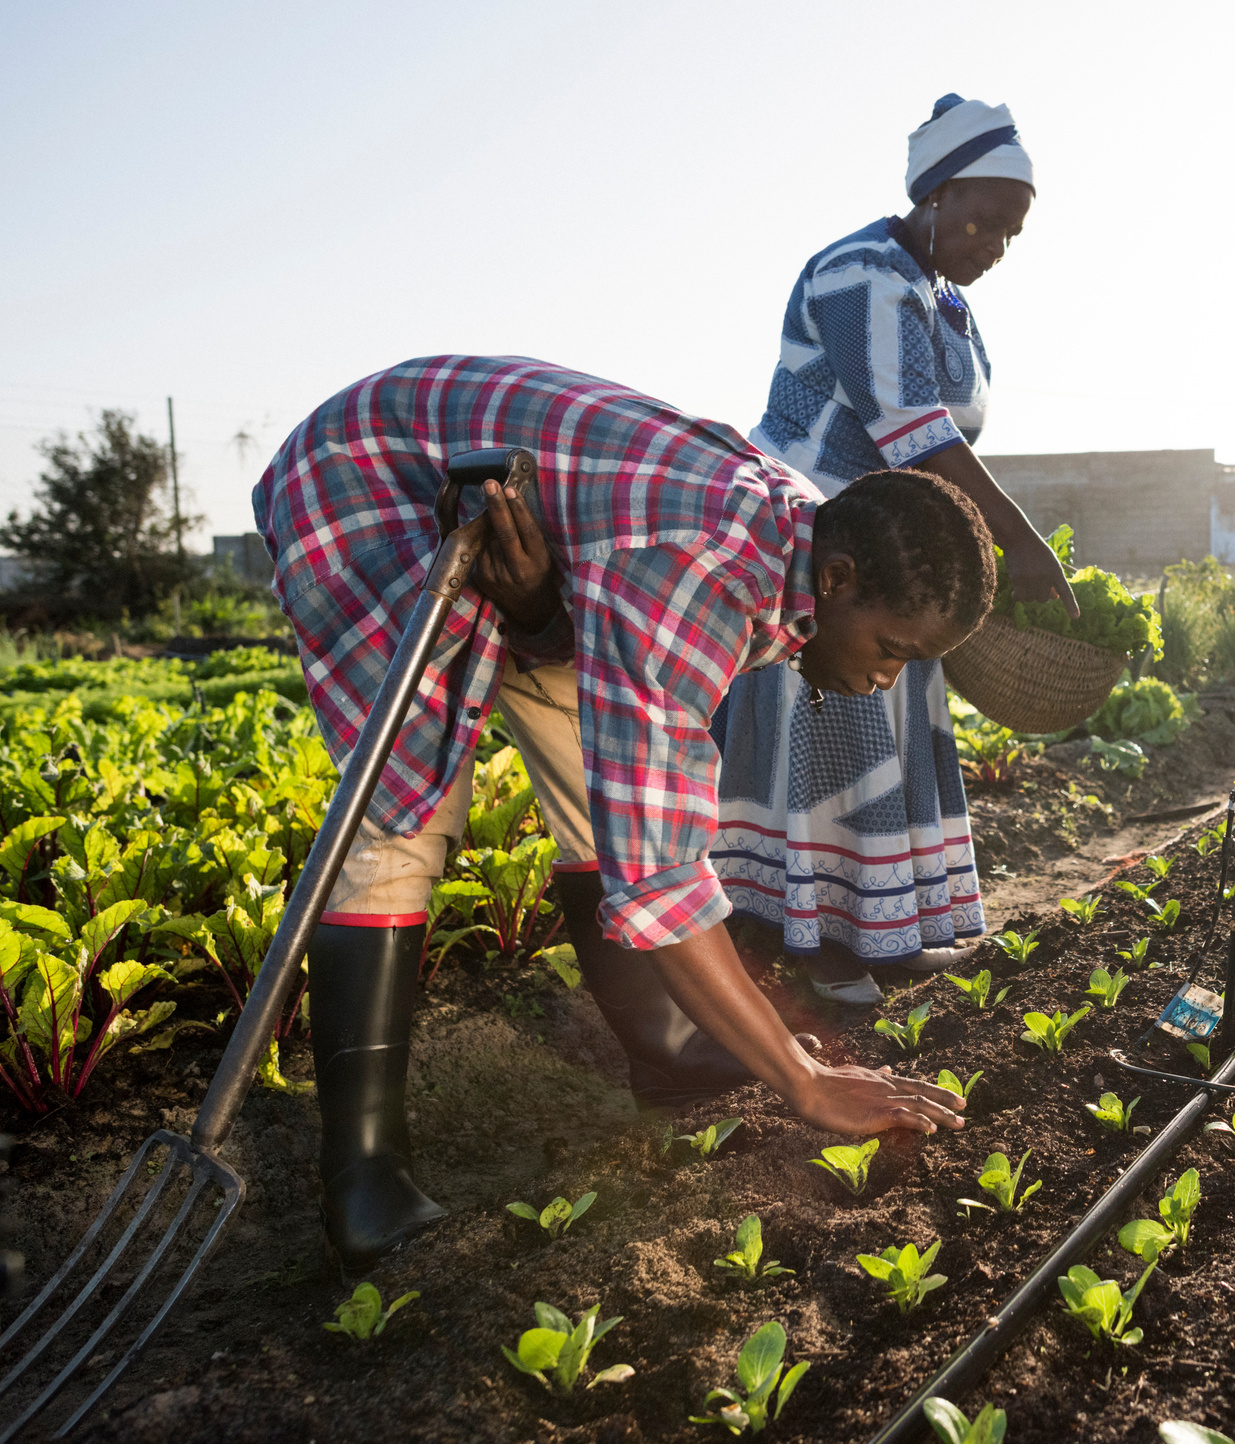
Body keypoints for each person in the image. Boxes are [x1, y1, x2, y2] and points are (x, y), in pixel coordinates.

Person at [253, 354, 983, 1269]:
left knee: (596, 780)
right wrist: (803, 1080)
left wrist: (532, 606)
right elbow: (666, 870)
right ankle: (362, 1177)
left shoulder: (804, 540)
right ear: (834, 581)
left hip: (552, 541)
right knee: (403, 808)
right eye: (891, 649)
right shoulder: (699, 569)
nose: (886, 679)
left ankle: (669, 1049)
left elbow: (633, 779)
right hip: (367, 478)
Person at [714, 94, 1074, 1005]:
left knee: (887, 724)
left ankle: (883, 928)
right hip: (818, 537)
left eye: (1010, 233)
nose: (992, 242)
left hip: (896, 545)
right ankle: (813, 939)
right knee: (828, 724)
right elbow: (912, 428)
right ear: (936, 194)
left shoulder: (940, 298)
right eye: (983, 219)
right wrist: (1017, 540)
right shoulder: (860, 273)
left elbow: (940, 439)